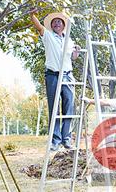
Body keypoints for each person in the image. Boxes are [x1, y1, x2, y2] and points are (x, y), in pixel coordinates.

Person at [30, 9, 80, 151]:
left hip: (67, 75)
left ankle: (67, 138)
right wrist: (32, 15)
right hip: (52, 75)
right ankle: (55, 140)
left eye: (59, 22)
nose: (57, 23)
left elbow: (73, 57)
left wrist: (76, 50)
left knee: (69, 107)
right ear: (51, 26)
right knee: (54, 108)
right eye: (54, 22)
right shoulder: (48, 36)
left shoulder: (69, 40)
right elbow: (39, 26)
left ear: (64, 25)